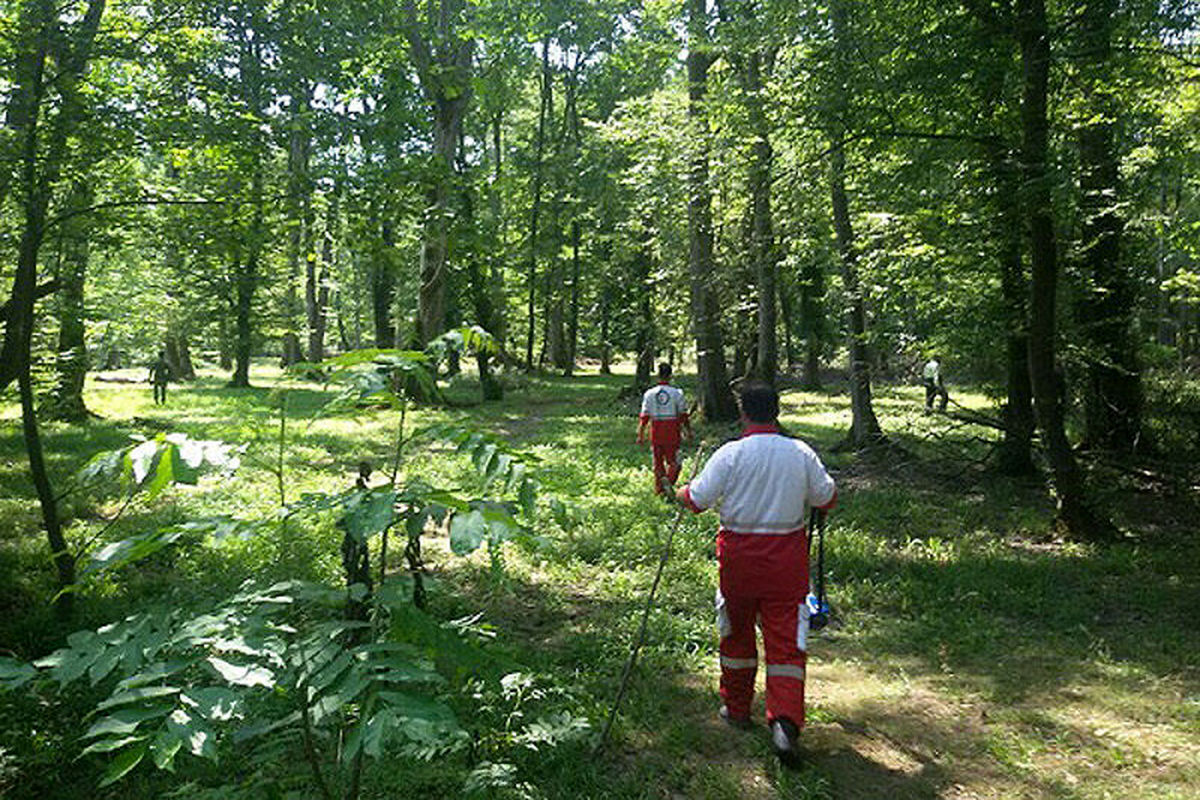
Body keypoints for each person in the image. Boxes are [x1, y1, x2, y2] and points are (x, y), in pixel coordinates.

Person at [676, 381, 837, 766]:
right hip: (786, 565)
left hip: (739, 564)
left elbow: (696, 500)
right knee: (786, 646)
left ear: (743, 413)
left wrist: (681, 491)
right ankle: (784, 721)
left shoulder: (730, 454)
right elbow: (826, 497)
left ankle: (736, 708)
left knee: (736, 635)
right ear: (776, 411)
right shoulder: (800, 453)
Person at [636, 363, 692, 495]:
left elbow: (644, 417)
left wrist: (640, 434)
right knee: (675, 462)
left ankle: (659, 489)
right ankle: (668, 482)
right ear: (670, 376)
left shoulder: (649, 394)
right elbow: (683, 415)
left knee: (658, 462)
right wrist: (688, 431)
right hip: (672, 431)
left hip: (656, 431)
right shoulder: (677, 393)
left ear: (657, 375)